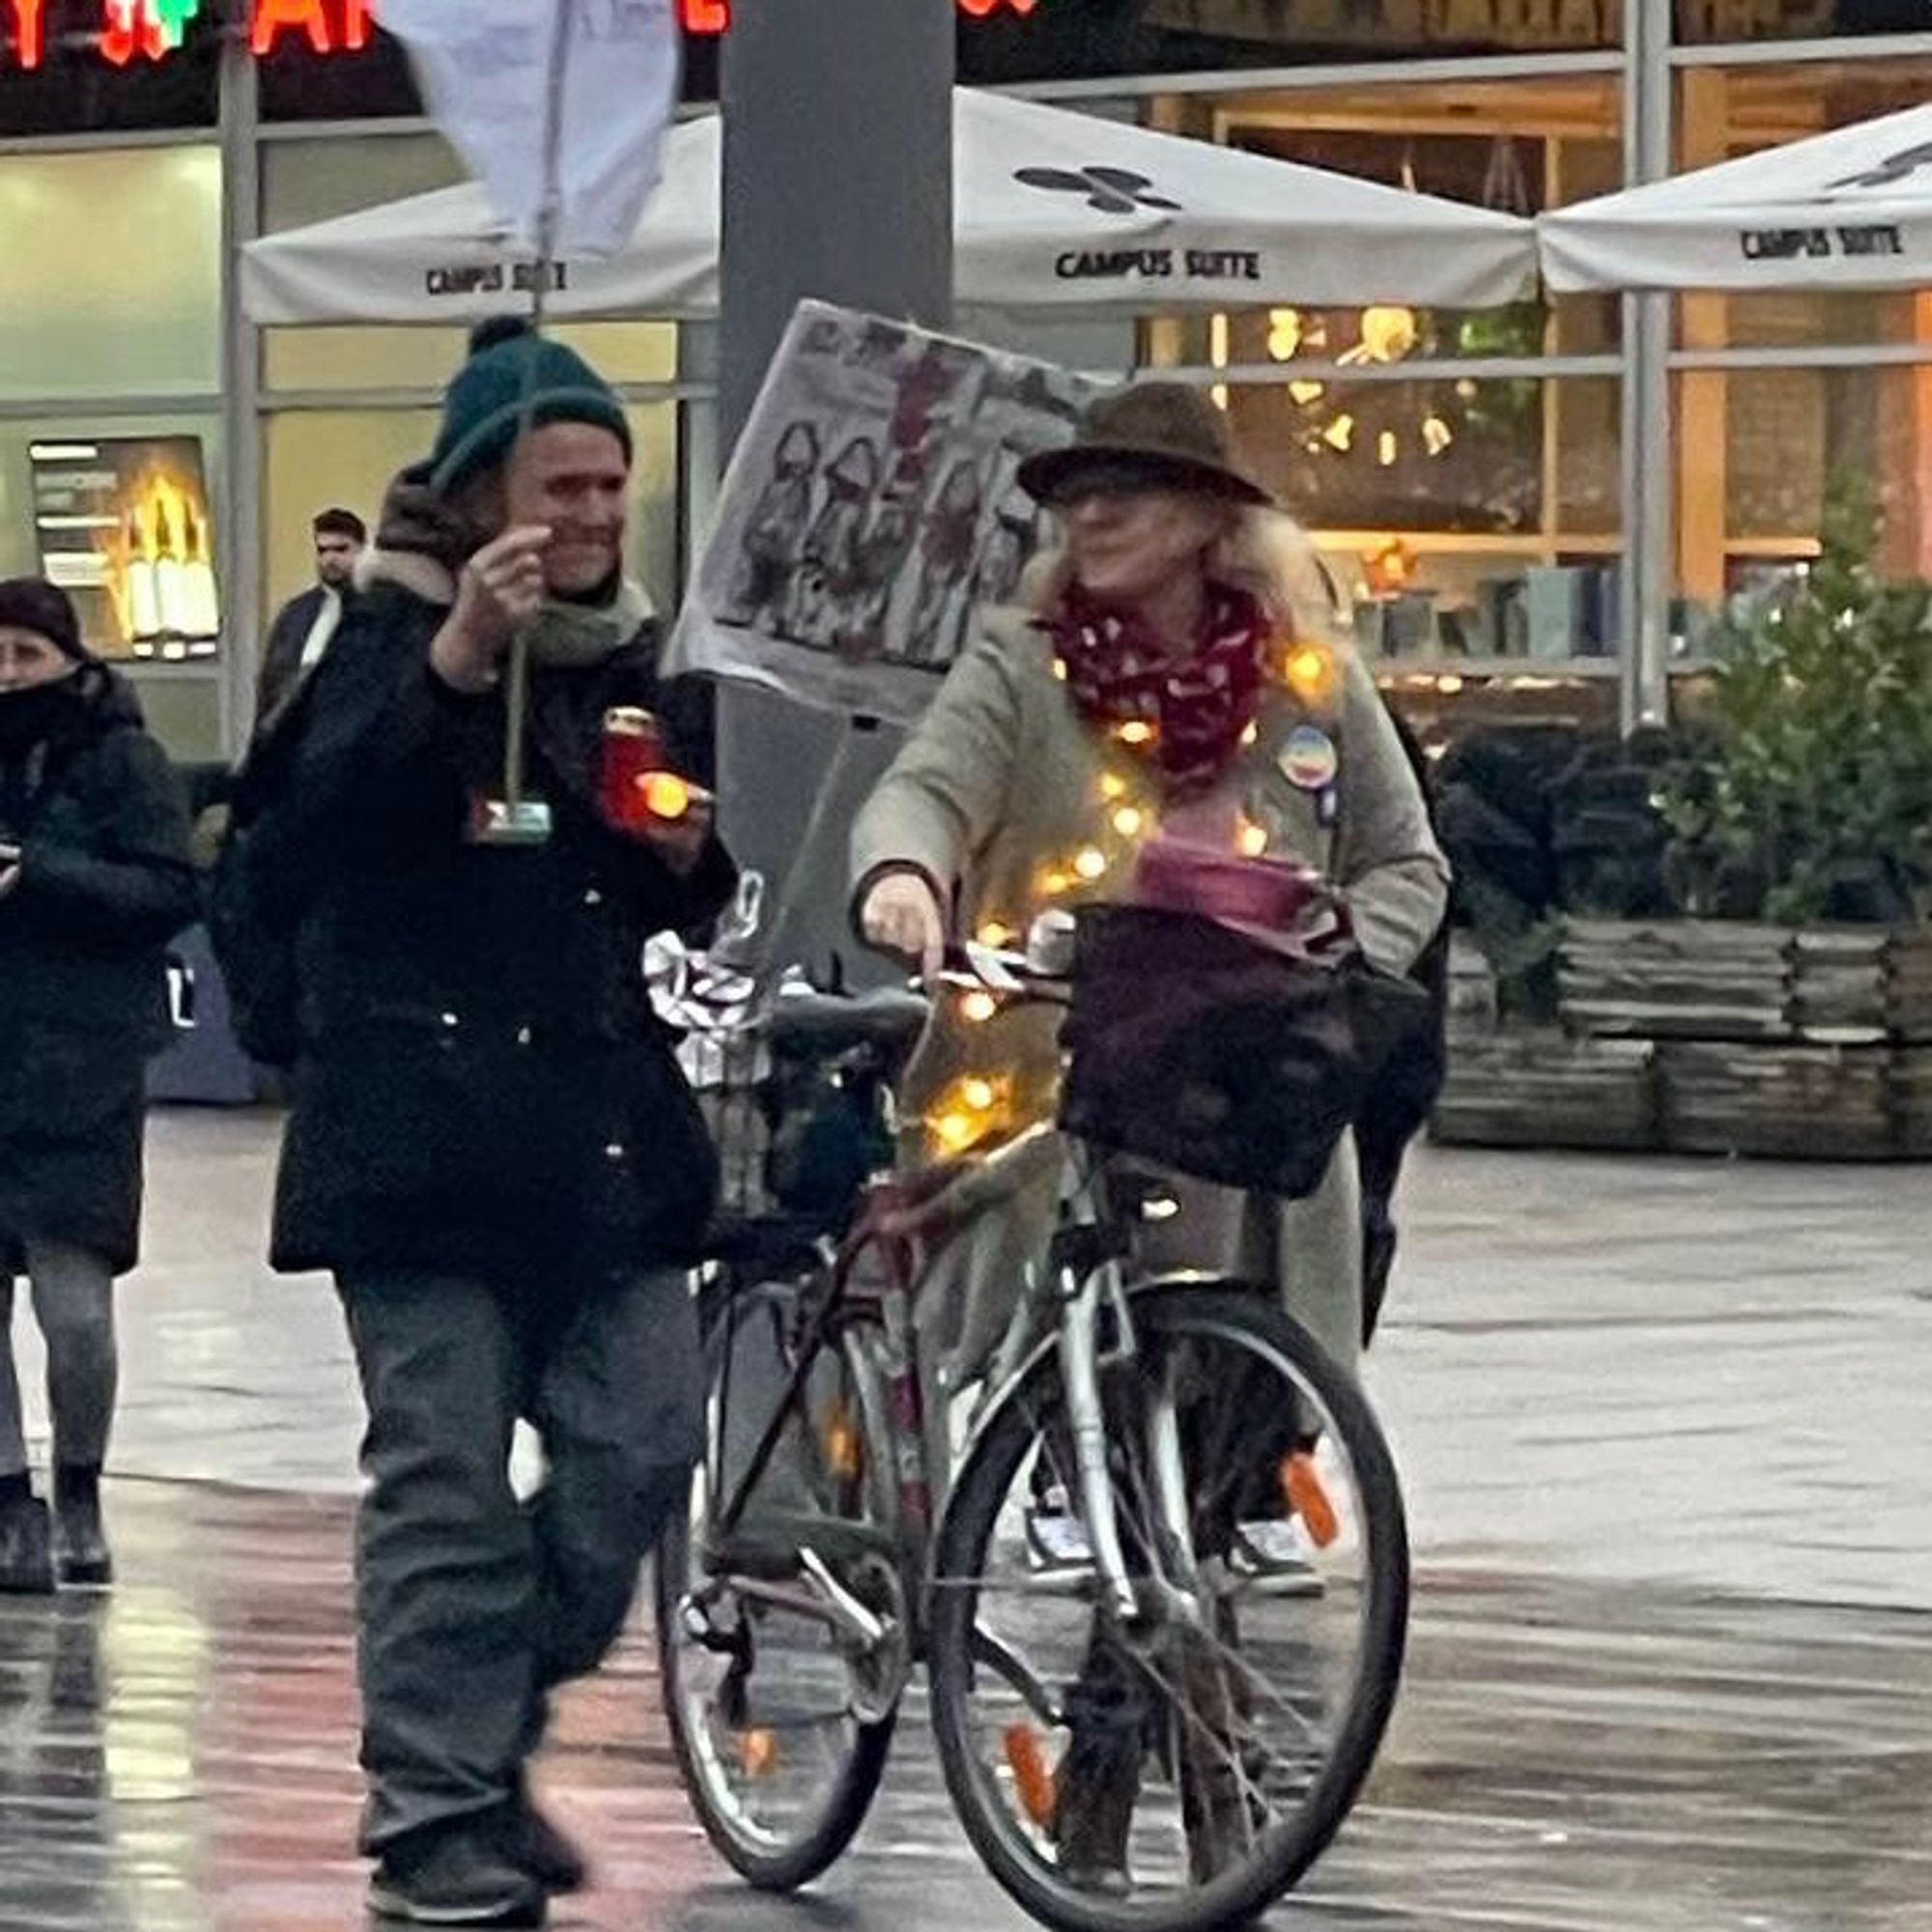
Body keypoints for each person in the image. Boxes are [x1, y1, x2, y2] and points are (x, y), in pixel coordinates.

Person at [849, 383, 1448, 1883]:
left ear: (1211, 521)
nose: (1090, 519)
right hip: (1058, 1108)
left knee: (1214, 1465)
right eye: (1075, 497)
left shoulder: (1305, 681)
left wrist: (1336, 959)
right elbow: (921, 791)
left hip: (1248, 1119)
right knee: (1123, 1446)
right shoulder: (1022, 665)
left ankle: (1121, 1799)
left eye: (1128, 491)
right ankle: (1192, 1798)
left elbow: (1404, 860)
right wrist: (907, 885)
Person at [237, 319, 734, 1927]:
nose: (592, 515)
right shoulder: (373, 641)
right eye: (560, 481)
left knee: (642, 1444)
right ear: (476, 495)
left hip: (599, 1131)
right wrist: (450, 668)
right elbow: (293, 845)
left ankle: (475, 1719)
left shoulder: (633, 660)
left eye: (611, 481)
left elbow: (662, 879)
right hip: (417, 1135)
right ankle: (436, 1810)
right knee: (444, 1478)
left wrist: (689, 857)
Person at [0, 578, 197, 1594]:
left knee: (76, 1308)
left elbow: (167, 887)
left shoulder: (121, 758)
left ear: (68, 659)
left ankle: (80, 1482)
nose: (7, 676)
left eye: (24, 656)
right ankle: (9, 1503)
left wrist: (39, 875)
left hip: (78, 1068)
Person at [254, 506, 368, 732]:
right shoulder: (296, 613)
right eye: (322, 550)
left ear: (363, 550)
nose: (330, 559)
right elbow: (269, 685)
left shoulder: (381, 612)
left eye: (341, 549)